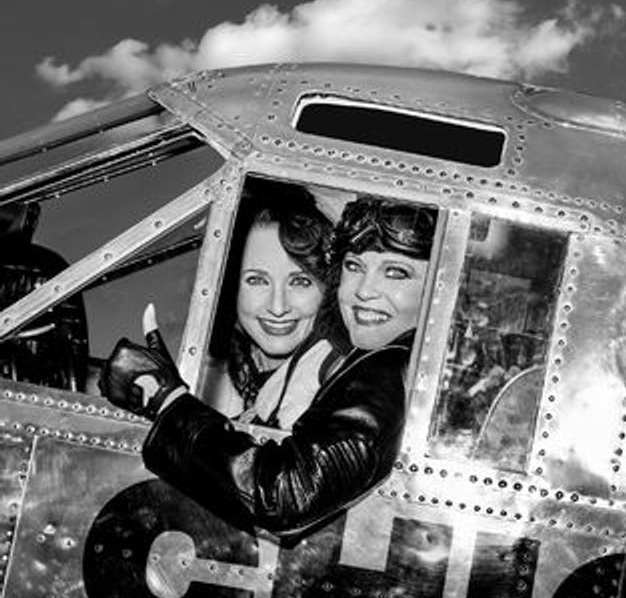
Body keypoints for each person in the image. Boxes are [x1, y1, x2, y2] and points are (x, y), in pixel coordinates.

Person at [101, 196, 437, 540]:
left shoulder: (386, 369)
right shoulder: (383, 362)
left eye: (397, 273)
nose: (365, 291)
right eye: (354, 266)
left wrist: (167, 400)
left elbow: (284, 494)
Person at [213, 181, 344, 430]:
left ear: (329, 289)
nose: (278, 306)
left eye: (300, 281)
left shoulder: (340, 383)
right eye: (257, 280)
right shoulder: (208, 372)